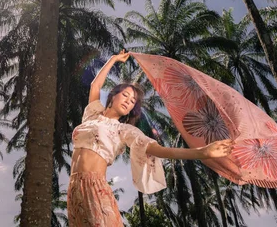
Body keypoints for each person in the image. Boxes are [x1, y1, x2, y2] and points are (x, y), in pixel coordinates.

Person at [67, 51, 233, 226]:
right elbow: (95, 86)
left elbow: (157, 149)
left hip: (95, 187)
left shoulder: (124, 130)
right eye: (125, 95)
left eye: (132, 101)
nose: (128, 101)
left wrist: (201, 152)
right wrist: (114, 59)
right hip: (74, 189)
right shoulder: (92, 114)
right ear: (113, 95)